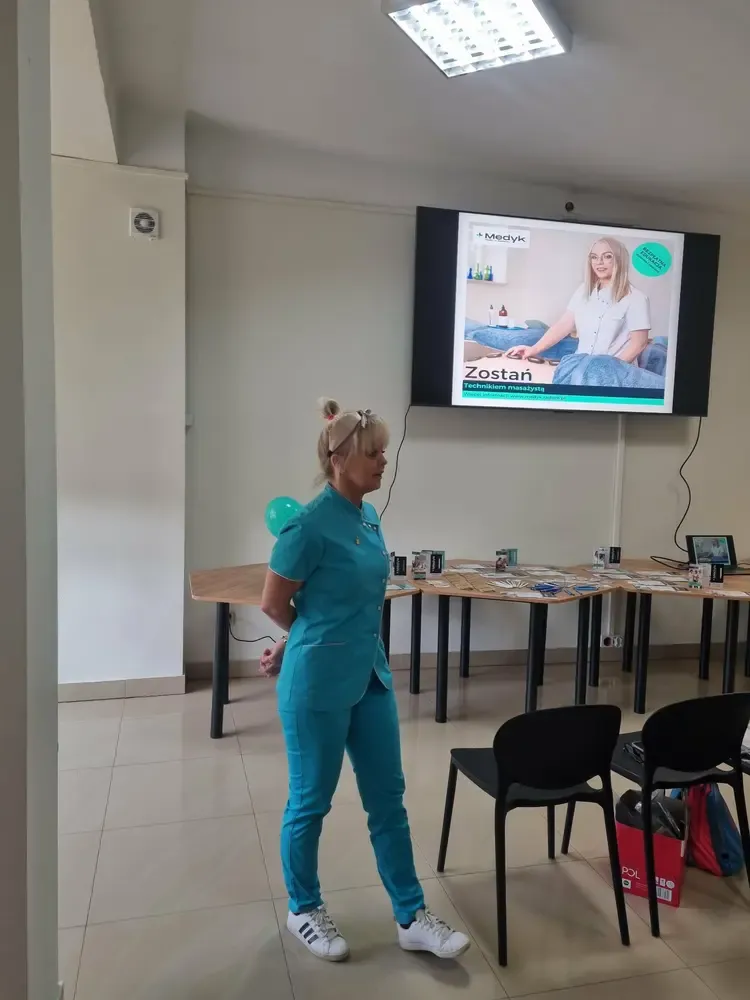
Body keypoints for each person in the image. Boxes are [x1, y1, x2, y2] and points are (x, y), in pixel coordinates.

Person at [258, 399, 470, 964]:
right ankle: (303, 908)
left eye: (384, 452)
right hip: (317, 684)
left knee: (388, 799)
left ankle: (411, 916)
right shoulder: (306, 527)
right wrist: (299, 642)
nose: (383, 462)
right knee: (311, 801)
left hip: (369, 676)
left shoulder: (368, 516)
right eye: (373, 453)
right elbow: (275, 604)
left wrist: (304, 634)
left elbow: (346, 600)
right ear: (339, 459)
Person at [507, 238, 651, 364]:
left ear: (620, 260)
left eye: (607, 256)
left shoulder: (636, 298)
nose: (599, 262)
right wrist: (533, 349)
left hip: (616, 373)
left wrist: (609, 370)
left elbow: (639, 343)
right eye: (594, 257)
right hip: (581, 366)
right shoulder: (583, 290)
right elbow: (564, 324)